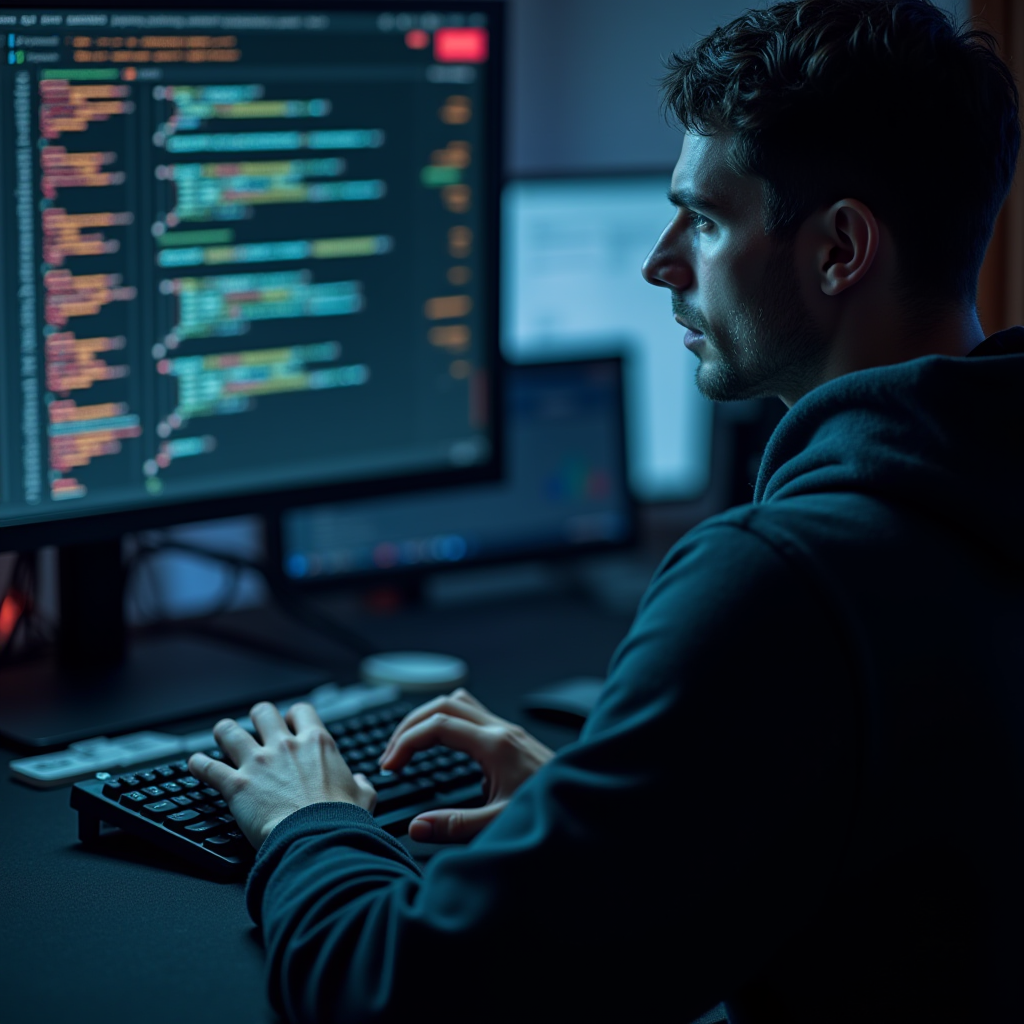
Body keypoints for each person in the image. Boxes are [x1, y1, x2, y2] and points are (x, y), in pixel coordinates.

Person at [188, 2, 1024, 1021]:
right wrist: (621, 813)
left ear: (839, 247)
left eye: (706, 220)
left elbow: (400, 995)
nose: (661, 262)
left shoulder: (783, 579)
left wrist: (307, 821)